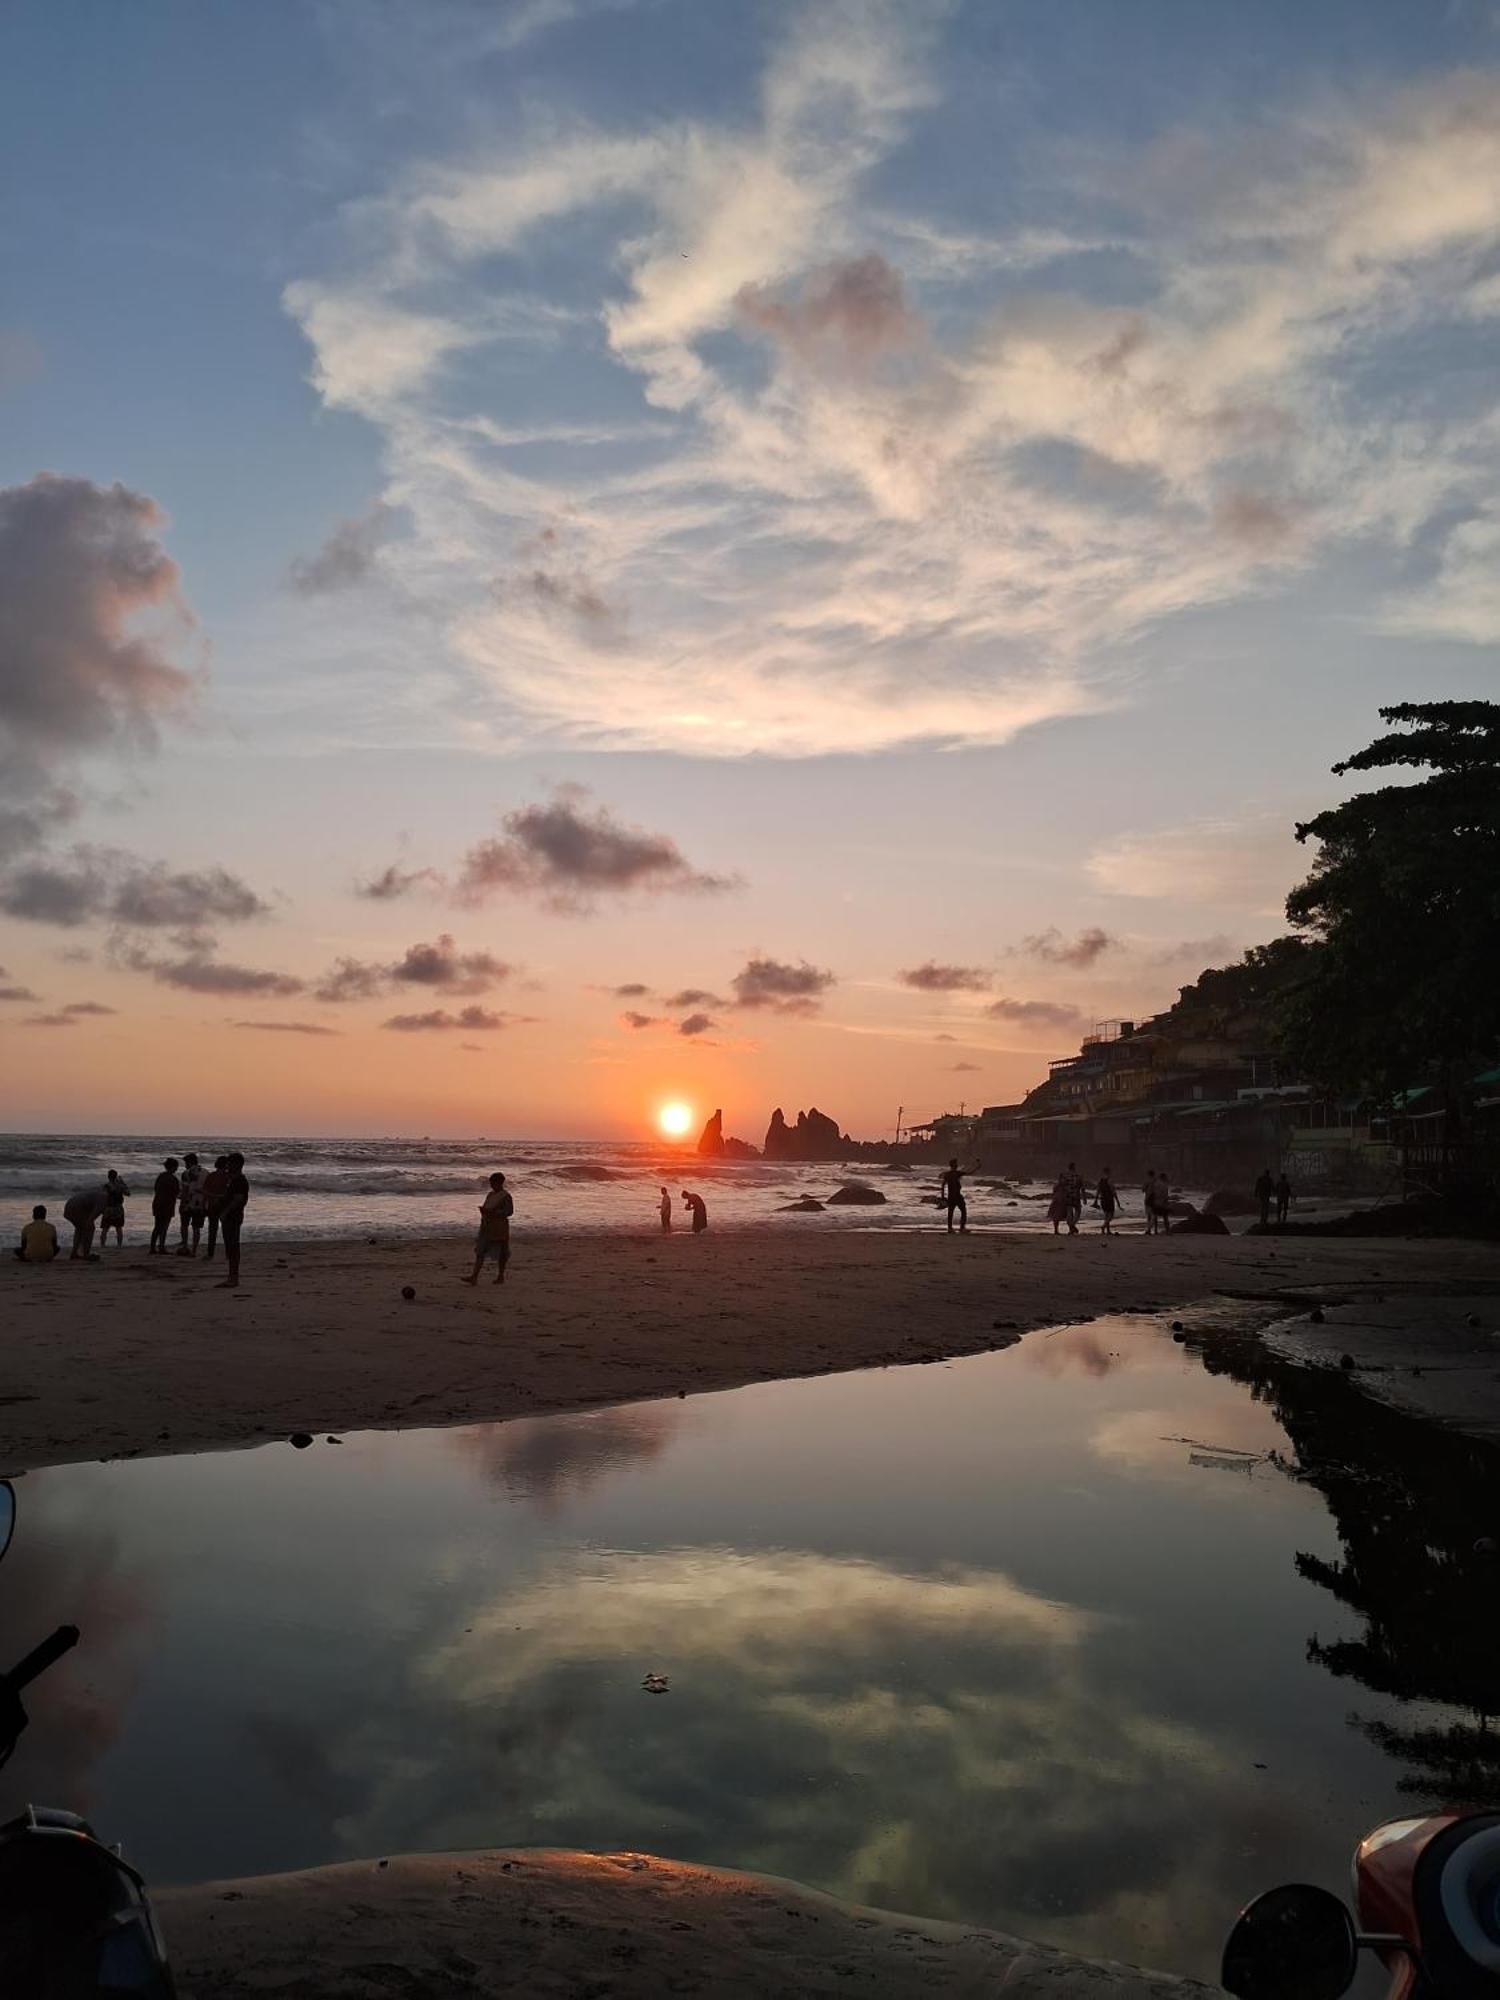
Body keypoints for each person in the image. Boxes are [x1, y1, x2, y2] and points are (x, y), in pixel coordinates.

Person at [463, 1171, 513, 1286]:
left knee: (502, 1253)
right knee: (480, 1250)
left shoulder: (506, 1196)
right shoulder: (490, 1195)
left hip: (500, 1228)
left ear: (499, 1183)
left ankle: (500, 1276)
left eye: (493, 1183)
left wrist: (494, 1212)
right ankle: (474, 1276)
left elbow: (509, 1212)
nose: (491, 1185)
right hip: (487, 1226)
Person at [213, 1152, 248, 1289]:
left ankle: (233, 1278)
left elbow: (238, 1199)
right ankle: (232, 1277)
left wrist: (225, 1212)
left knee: (233, 1247)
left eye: (230, 1163)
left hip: (232, 1217)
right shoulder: (233, 1180)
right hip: (229, 1216)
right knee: (230, 1246)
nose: (227, 1166)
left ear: (237, 1164)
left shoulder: (240, 1181)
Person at [62, 1180, 108, 1261]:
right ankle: (86, 1254)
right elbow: (91, 1218)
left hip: (69, 1205)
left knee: (79, 1229)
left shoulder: (98, 1194)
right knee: (90, 1228)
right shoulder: (104, 1199)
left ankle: (74, 1252)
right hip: (77, 1207)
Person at [178, 1152, 208, 1256]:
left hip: (188, 1203)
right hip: (200, 1203)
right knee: (196, 1228)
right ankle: (194, 1250)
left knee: (184, 1225)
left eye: (185, 1162)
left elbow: (185, 1190)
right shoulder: (206, 1172)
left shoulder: (186, 1173)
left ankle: (185, 1246)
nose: (185, 1165)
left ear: (189, 1162)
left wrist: (182, 1204)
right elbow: (207, 1189)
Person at [149, 1158, 180, 1255]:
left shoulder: (161, 1177)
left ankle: (152, 1247)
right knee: (164, 1226)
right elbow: (177, 1192)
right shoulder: (173, 1179)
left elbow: (156, 1189)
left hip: (157, 1203)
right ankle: (161, 1247)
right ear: (173, 1167)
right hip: (167, 1204)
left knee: (157, 1226)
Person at [203, 1156, 229, 1258]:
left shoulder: (212, 1176)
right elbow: (229, 1193)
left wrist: (211, 1198)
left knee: (212, 1230)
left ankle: (210, 1253)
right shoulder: (228, 1177)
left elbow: (205, 1190)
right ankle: (228, 1253)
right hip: (224, 1206)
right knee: (226, 1231)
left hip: (212, 1205)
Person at [98, 1170, 130, 1249]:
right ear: (116, 1176)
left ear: (108, 1177)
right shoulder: (120, 1186)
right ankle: (119, 1245)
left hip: (108, 1209)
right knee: (118, 1228)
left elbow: (102, 1197)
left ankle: (102, 1245)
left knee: (105, 1228)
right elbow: (128, 1193)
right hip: (118, 1208)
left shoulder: (106, 1186)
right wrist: (123, 1183)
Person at [939, 1157, 967, 1233]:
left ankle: (950, 1228)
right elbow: (969, 1172)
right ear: (954, 1165)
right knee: (963, 1211)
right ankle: (961, 1228)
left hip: (951, 1196)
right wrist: (977, 1167)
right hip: (957, 1196)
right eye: (956, 1163)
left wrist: (942, 1196)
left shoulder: (948, 1174)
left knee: (951, 1212)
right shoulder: (956, 1173)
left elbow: (943, 1185)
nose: (957, 1165)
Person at [1095, 1166, 1118, 1236]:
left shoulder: (1100, 1180)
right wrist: (1117, 1201)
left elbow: (1098, 1191)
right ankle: (1103, 1226)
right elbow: (1113, 1191)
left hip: (1102, 1199)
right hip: (1109, 1199)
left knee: (1106, 1215)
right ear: (1109, 1172)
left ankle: (1108, 1230)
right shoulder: (1110, 1180)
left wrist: (1095, 1200)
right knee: (1111, 1215)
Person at [1142, 1169, 1159, 1236]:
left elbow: (1143, 1190)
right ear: (1154, 1174)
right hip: (1156, 1200)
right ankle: (1155, 1230)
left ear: (1148, 1175)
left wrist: (1147, 1189)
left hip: (1148, 1199)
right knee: (1155, 1215)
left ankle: (1149, 1230)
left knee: (1149, 1215)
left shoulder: (1147, 1181)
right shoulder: (1157, 1181)